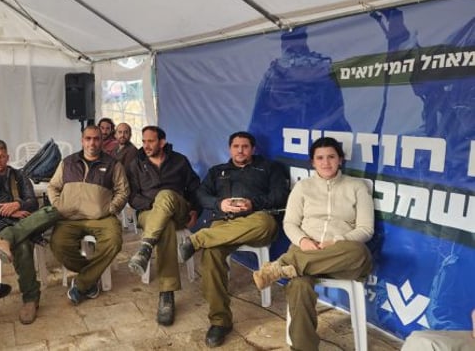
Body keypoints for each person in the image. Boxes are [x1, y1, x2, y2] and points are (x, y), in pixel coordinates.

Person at [253, 137, 374, 351]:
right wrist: (303, 240)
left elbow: (366, 229)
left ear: (341, 160)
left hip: (341, 256)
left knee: (361, 252)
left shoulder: (357, 187)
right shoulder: (303, 187)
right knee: (299, 284)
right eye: (320, 158)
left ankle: (282, 267)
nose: (325, 162)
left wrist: (335, 242)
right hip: (305, 249)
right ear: (312, 162)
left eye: (331, 157)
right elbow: (290, 223)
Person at [177, 131, 289, 347]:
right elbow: (201, 195)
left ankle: (197, 240)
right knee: (210, 256)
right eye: (236, 146)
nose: (240, 150)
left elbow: (280, 196)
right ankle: (220, 321)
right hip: (224, 223)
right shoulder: (217, 171)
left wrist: (252, 204)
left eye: (245, 146)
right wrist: (220, 204)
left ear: (253, 149)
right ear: (230, 149)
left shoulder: (269, 168)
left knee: (265, 222)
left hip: (256, 222)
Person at [0, 139, 60, 324]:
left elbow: (32, 202)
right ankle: (30, 299)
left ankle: (6, 240)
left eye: (2, 156)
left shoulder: (18, 175)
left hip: (20, 221)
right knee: (24, 247)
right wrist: (6, 208)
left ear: (7, 157)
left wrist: (17, 204)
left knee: (54, 210)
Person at [126, 125, 200, 326]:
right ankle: (166, 294)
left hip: (179, 210)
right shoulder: (135, 164)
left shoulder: (179, 161)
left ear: (162, 142)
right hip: (148, 214)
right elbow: (132, 197)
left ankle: (145, 247)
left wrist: (195, 210)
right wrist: (157, 206)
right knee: (164, 223)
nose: (146, 145)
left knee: (166, 195)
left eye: (151, 141)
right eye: (144, 141)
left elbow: (195, 188)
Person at [47, 125, 129, 305]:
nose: (92, 143)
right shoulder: (67, 162)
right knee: (58, 244)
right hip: (70, 218)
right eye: (88, 138)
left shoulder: (113, 164)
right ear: (82, 140)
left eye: (96, 139)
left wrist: (110, 209)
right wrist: (58, 205)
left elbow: (123, 191)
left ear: (102, 140)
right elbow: (53, 186)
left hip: (101, 218)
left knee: (114, 241)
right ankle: (91, 278)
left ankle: (82, 282)